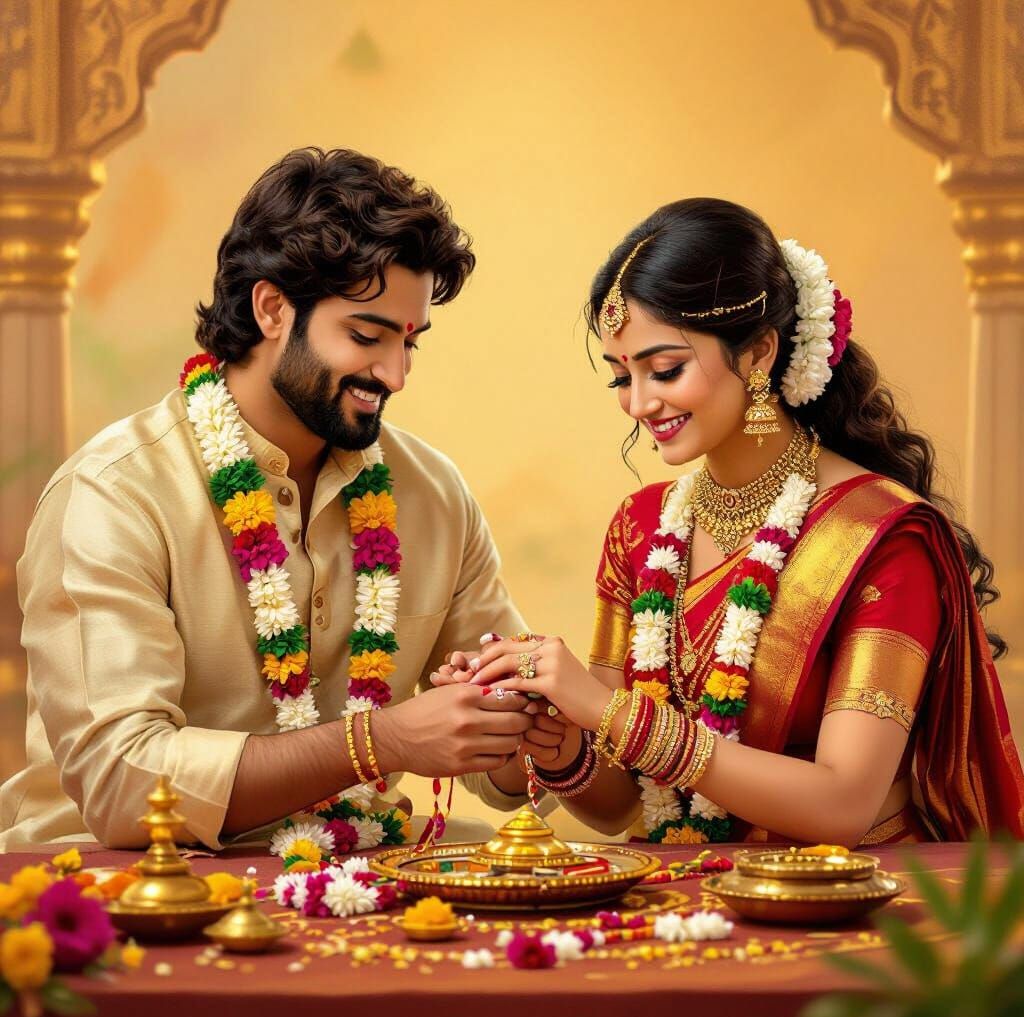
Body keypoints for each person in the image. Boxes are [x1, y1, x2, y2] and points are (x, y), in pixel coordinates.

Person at [0, 147, 538, 854]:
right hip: (127, 880)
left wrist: (523, 715)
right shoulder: (115, 493)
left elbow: (510, 770)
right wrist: (378, 742)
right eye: (367, 336)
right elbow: (123, 783)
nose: (396, 375)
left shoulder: (431, 492)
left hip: (360, 865)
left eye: (411, 343)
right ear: (273, 308)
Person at [459, 198, 1024, 847]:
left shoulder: (883, 538)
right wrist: (557, 735)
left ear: (758, 353)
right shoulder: (641, 529)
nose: (639, 403)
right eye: (620, 378)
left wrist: (608, 711)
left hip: (846, 894)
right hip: (688, 887)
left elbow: (844, 804)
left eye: (665, 370)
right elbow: (618, 806)